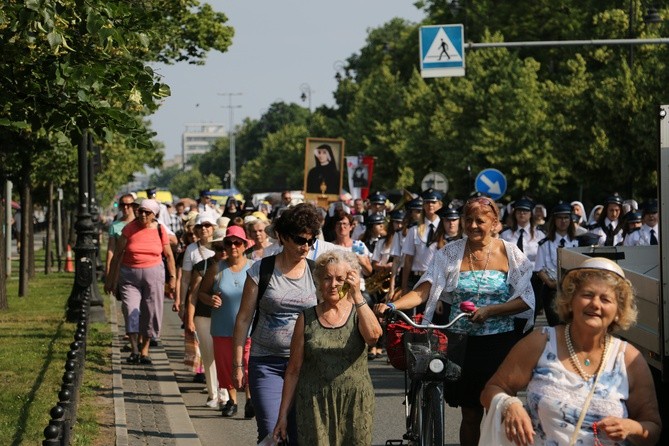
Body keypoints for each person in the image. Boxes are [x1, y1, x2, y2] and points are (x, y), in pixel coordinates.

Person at [375, 195, 535, 446]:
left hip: (501, 344)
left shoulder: (511, 253)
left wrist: (491, 310)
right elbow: (423, 290)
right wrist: (393, 305)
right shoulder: (450, 253)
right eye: (467, 220)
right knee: (470, 412)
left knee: (498, 412)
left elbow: (526, 300)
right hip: (462, 343)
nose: (472, 226)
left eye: (480, 221)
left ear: (494, 223)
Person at [481, 257, 662, 446]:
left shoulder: (630, 359)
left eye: (606, 299)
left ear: (618, 310)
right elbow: (491, 390)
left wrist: (631, 428)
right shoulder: (540, 342)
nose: (595, 304)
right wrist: (510, 405)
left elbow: (653, 427)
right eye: (587, 295)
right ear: (570, 299)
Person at [231, 203, 321, 444]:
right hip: (266, 362)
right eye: (300, 240)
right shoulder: (262, 270)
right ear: (282, 237)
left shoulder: (316, 273)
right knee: (272, 432)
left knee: (298, 434)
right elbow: (243, 319)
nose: (305, 247)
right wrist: (238, 364)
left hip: (305, 366)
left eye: (310, 241)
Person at [272, 250, 382, 445]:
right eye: (327, 278)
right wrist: (282, 416)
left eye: (340, 279)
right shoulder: (306, 318)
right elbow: (293, 370)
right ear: (318, 282)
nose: (333, 285)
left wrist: (357, 295)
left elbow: (373, 337)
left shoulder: (359, 312)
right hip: (314, 404)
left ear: (350, 281)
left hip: (354, 403)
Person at [104, 198, 177, 364]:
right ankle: (134, 350)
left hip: (154, 275)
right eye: (141, 211)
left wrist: (172, 278)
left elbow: (169, 256)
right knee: (131, 310)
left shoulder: (159, 229)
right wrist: (110, 280)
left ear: (154, 214)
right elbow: (116, 255)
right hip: (129, 275)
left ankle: (145, 350)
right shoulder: (129, 229)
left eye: (147, 212)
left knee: (150, 312)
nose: (143, 215)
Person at [199, 226, 255, 418]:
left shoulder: (254, 267)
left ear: (245, 245)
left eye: (237, 242)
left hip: (249, 329)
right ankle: (232, 401)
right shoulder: (217, 268)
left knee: (247, 364)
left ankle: (250, 400)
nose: (233, 246)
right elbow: (202, 293)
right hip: (222, 327)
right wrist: (210, 299)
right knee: (225, 365)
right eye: (229, 243)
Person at [535, 202, 579, 326]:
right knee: (556, 327)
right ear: (554, 220)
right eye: (559, 218)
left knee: (573, 325)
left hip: (573, 290)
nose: (563, 221)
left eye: (566, 217)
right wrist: (550, 283)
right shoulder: (545, 243)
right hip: (552, 290)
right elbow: (539, 269)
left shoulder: (577, 242)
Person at [400, 189, 442, 296]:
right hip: (418, 278)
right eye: (427, 202)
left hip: (438, 279)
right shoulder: (414, 229)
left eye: (433, 202)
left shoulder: (444, 228)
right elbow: (408, 260)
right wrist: (404, 286)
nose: (430, 205)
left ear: (440, 205)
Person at [106, 194, 137, 278]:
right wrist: (108, 271)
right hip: (122, 267)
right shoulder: (114, 226)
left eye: (129, 205)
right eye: (123, 205)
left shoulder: (139, 224)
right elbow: (111, 249)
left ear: (133, 206)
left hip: (138, 266)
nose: (125, 207)